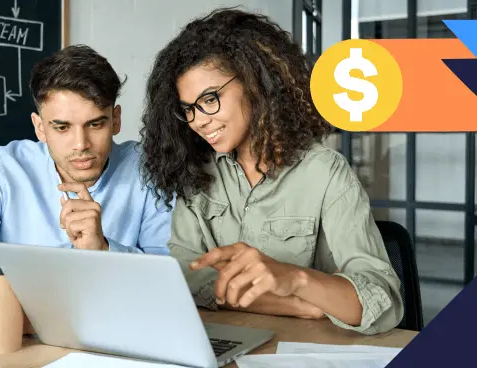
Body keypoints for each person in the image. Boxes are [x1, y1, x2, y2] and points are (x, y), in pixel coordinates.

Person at [139, 8, 403, 335]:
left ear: (253, 82)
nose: (199, 121)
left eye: (210, 99)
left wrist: (293, 278)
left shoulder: (326, 173)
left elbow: (383, 302)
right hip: (224, 344)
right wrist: (300, 306)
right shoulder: (194, 173)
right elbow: (184, 280)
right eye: (188, 109)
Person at [0, 45, 173, 323]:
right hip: (23, 339)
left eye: (96, 124)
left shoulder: (148, 169)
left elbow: (170, 283)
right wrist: (20, 315)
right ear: (40, 128)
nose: (81, 144)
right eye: (62, 127)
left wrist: (104, 250)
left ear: (116, 119)